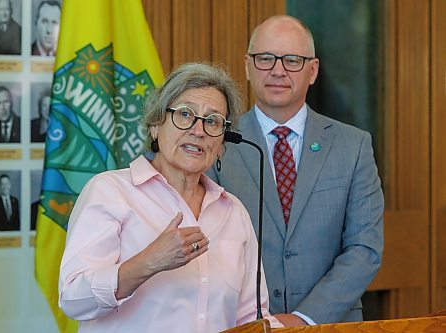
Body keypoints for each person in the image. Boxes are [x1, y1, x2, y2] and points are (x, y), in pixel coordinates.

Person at [58, 63, 281, 332]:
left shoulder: (234, 213)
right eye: (185, 114)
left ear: (222, 144)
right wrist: (148, 261)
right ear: (155, 124)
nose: (198, 130)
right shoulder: (110, 192)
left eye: (213, 121)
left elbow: (252, 318)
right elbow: (72, 299)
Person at [206, 15, 384, 326]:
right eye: (265, 58)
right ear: (247, 66)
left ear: (312, 70)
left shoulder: (353, 146)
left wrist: (304, 318)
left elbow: (364, 248)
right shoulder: (217, 142)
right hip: (241, 324)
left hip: (333, 324)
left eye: (292, 60)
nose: (278, 70)